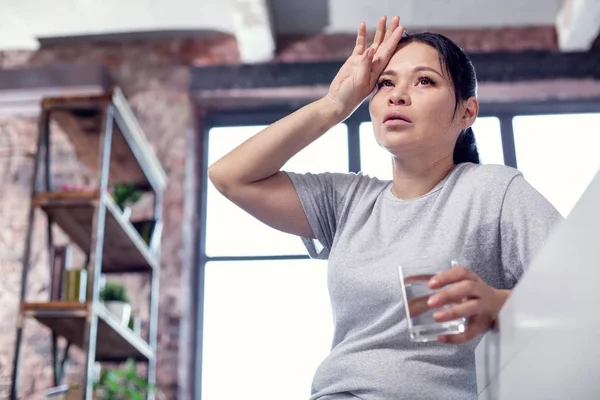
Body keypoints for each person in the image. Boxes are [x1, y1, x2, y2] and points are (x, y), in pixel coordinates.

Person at [208, 15, 563, 400]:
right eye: (385, 83)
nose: (397, 95)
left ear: (467, 112)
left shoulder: (494, 190)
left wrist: (498, 304)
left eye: (424, 80)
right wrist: (333, 105)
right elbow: (230, 176)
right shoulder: (347, 202)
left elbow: (582, 291)